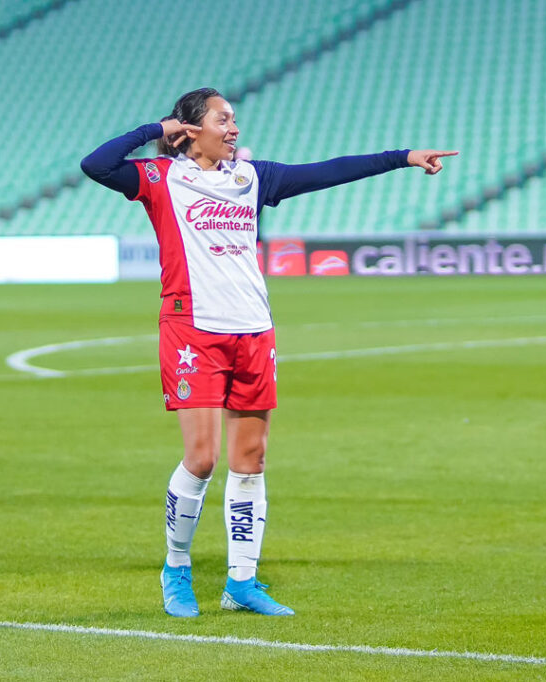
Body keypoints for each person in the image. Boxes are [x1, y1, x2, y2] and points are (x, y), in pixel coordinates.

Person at [80, 87, 456, 618]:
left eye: (234, 119)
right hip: (193, 330)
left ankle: (242, 582)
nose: (234, 128)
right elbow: (95, 164)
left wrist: (403, 158)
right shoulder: (160, 179)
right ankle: (177, 568)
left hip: (253, 330)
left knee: (251, 460)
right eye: (222, 120)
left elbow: (327, 171)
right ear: (191, 129)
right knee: (203, 457)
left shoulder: (251, 178)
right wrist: (154, 131)